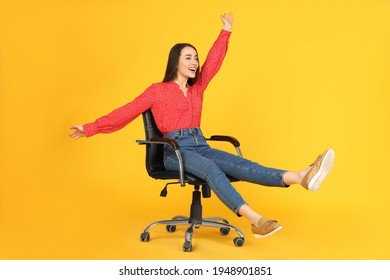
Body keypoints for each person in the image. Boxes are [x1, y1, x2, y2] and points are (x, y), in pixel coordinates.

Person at [69, 13, 335, 238]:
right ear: (176, 62)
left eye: (195, 58)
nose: (194, 62)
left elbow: (214, 64)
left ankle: (301, 176)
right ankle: (255, 220)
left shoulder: (197, 89)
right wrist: (90, 128)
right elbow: (125, 112)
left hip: (200, 144)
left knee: (245, 166)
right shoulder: (157, 91)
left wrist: (226, 31)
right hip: (174, 150)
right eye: (188, 57)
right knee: (209, 169)